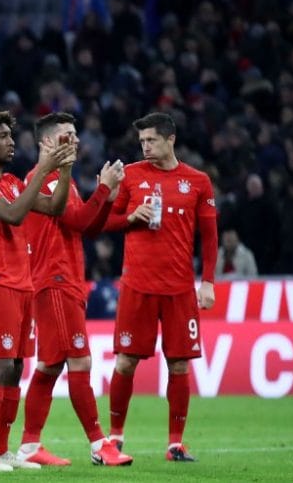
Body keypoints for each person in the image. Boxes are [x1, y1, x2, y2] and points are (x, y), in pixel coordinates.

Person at [0, 109, 74, 472]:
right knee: (0, 364)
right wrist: (43, 168)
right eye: (3, 136)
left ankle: (1, 449)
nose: (11, 142)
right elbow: (13, 215)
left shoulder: (10, 181)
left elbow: (54, 207)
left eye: (11, 135)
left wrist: (64, 167)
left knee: (16, 368)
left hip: (23, 282)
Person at [14, 113, 133, 467]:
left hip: (65, 279)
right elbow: (79, 221)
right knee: (79, 360)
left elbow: (87, 228)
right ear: (47, 143)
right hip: (55, 280)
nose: (76, 140)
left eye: (76, 134)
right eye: (67, 135)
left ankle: (29, 445)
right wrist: (104, 189)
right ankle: (100, 445)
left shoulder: (61, 179)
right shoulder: (43, 179)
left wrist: (106, 196)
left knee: (50, 366)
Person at [102, 113, 217, 462]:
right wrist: (130, 218)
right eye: (142, 142)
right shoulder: (132, 175)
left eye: (151, 140)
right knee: (125, 363)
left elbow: (209, 237)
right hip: (137, 285)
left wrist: (208, 281)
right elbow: (105, 221)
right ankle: (116, 437)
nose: (145, 147)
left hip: (180, 289)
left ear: (171, 139)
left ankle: (175, 443)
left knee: (180, 365)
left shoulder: (197, 182)